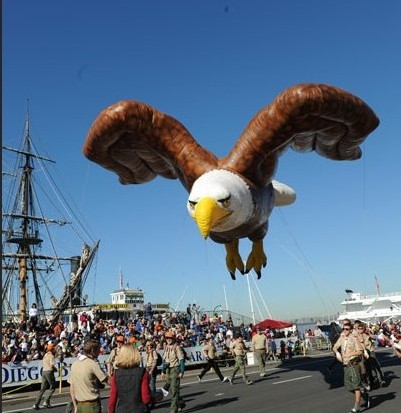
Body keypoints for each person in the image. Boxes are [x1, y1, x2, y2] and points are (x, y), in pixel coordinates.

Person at [333, 323, 370, 413]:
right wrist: (337, 353)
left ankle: (356, 407)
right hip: (345, 365)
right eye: (344, 329)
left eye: (347, 329)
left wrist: (349, 354)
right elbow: (335, 347)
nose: (345, 331)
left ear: (351, 330)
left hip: (353, 364)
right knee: (348, 386)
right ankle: (364, 395)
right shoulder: (341, 338)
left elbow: (360, 351)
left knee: (356, 386)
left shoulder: (354, 339)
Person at [108, 344, 152, 413]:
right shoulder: (142, 372)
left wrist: (111, 411)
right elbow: (146, 398)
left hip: (122, 409)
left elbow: (112, 399)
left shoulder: (116, 374)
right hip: (139, 409)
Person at [68, 339, 108, 413]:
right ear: (93, 351)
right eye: (98, 350)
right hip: (92, 405)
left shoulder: (75, 364)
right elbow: (107, 380)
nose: (99, 352)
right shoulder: (92, 364)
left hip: (79, 405)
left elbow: (72, 387)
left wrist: (75, 406)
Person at [161, 330, 186, 413]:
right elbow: (164, 361)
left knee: (174, 390)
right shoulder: (166, 347)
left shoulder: (177, 347)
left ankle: (173, 410)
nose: (168, 339)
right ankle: (181, 403)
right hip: (168, 370)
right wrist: (162, 371)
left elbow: (181, 360)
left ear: (173, 338)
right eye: (167, 338)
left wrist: (182, 371)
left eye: (170, 338)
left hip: (175, 369)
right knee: (172, 390)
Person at [33, 342, 57, 410]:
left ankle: (36, 404)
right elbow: (52, 365)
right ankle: (46, 401)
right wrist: (55, 369)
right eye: (54, 349)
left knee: (42, 389)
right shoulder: (51, 356)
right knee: (52, 387)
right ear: (52, 349)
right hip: (49, 372)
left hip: (43, 371)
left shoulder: (45, 355)